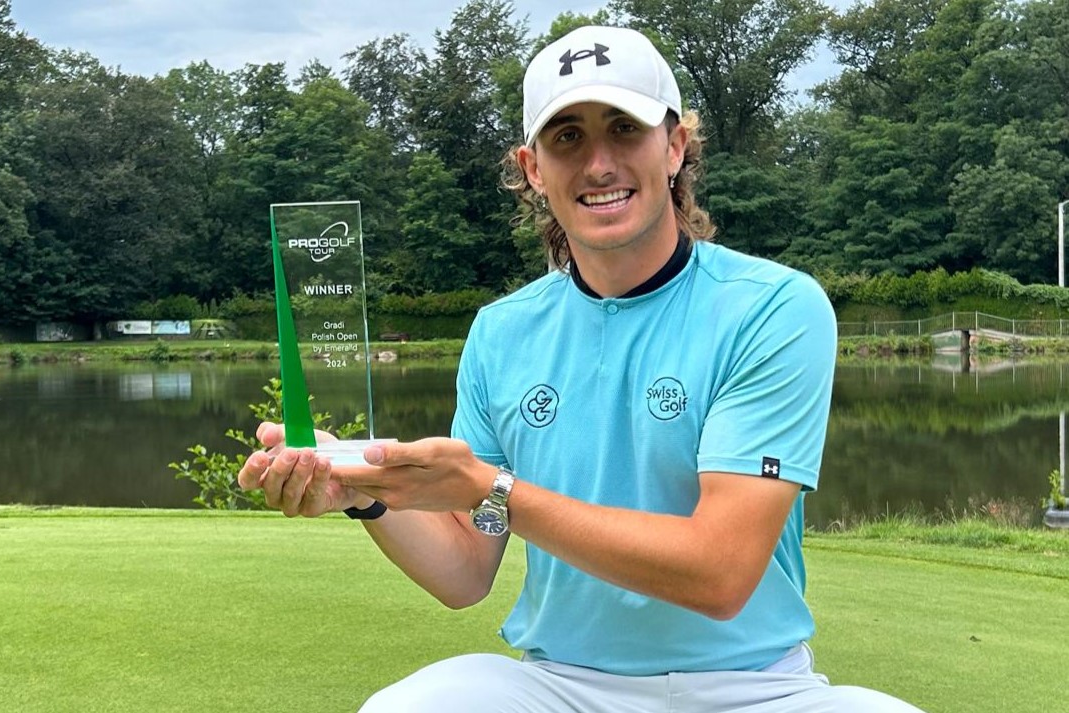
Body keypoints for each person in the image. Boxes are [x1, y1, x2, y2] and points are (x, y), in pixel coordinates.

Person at [238, 25, 925, 713]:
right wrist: (364, 489)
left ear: (674, 147)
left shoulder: (774, 308)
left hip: (753, 689)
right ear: (533, 167)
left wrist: (492, 487)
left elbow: (720, 572)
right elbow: (465, 570)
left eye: (623, 129)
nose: (598, 163)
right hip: (562, 686)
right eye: (567, 136)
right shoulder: (501, 332)